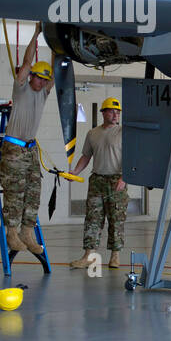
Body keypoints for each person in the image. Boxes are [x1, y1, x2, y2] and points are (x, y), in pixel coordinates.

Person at [0, 25, 53, 254]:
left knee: (34, 191)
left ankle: (27, 232)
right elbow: (28, 60)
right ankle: (11, 233)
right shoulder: (21, 88)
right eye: (38, 78)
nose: (40, 82)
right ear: (31, 76)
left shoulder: (43, 93)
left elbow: (58, 71)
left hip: (30, 149)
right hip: (14, 147)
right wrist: (36, 34)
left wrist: (60, 44)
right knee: (15, 192)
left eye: (44, 79)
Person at [69, 97, 127, 269]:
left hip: (116, 179)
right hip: (97, 180)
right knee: (93, 219)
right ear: (103, 113)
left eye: (118, 112)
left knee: (116, 219)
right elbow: (86, 156)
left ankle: (115, 256)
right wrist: (75, 172)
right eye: (112, 111)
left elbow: (132, 158)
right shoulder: (93, 133)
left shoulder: (124, 132)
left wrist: (124, 178)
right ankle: (88, 255)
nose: (116, 115)